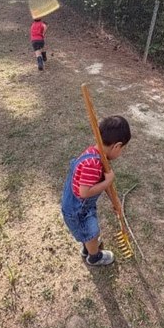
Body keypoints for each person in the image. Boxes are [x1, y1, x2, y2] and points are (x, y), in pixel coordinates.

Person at [60, 114, 132, 267]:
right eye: (123, 149)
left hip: (82, 206)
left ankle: (88, 247)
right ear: (117, 146)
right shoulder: (92, 164)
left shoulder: (98, 153)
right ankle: (94, 257)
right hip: (77, 210)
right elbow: (85, 192)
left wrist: (115, 201)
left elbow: (101, 184)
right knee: (92, 234)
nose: (121, 153)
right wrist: (108, 181)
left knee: (90, 233)